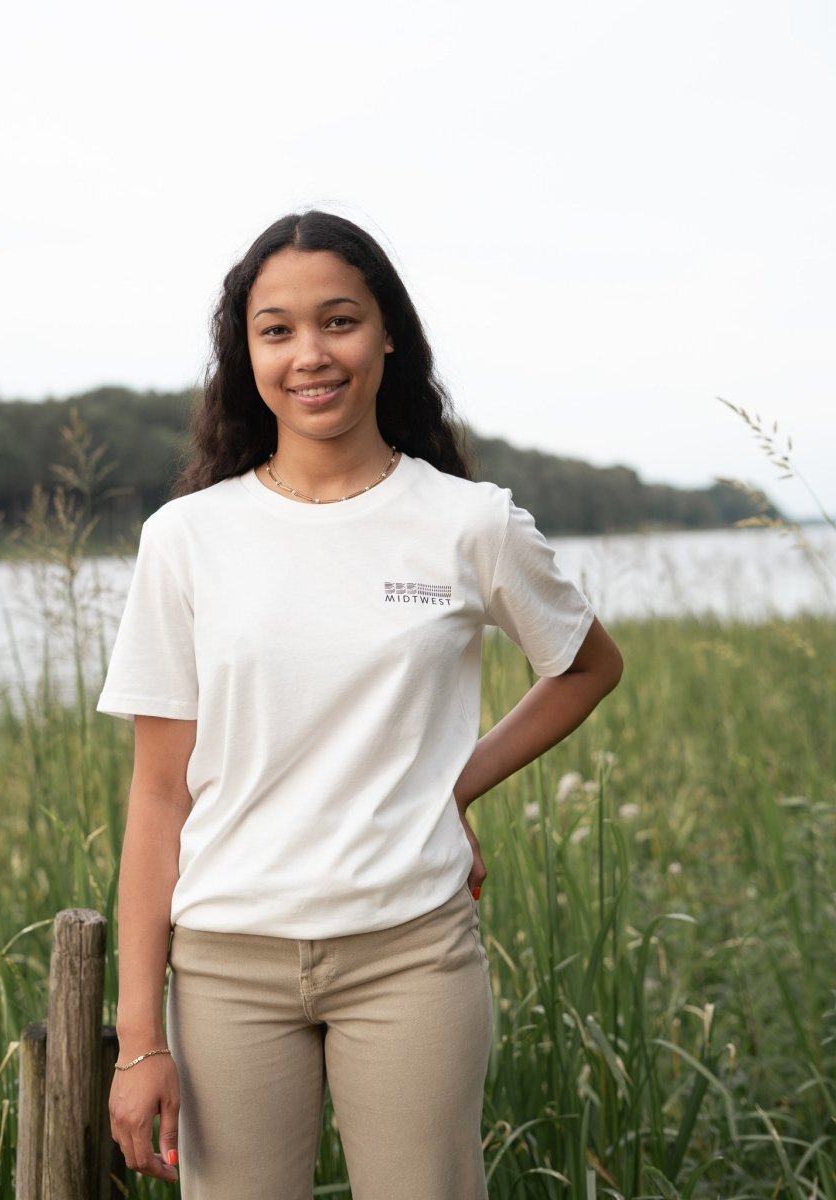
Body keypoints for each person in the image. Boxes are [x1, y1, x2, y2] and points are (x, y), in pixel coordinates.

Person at [98, 210, 623, 1200]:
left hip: (412, 954)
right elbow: (159, 797)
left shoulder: (469, 523)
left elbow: (587, 667)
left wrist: (449, 787)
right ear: (244, 353)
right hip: (226, 966)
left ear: (387, 333)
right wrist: (138, 1041)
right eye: (277, 330)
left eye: (338, 320)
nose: (310, 355)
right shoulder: (185, 539)